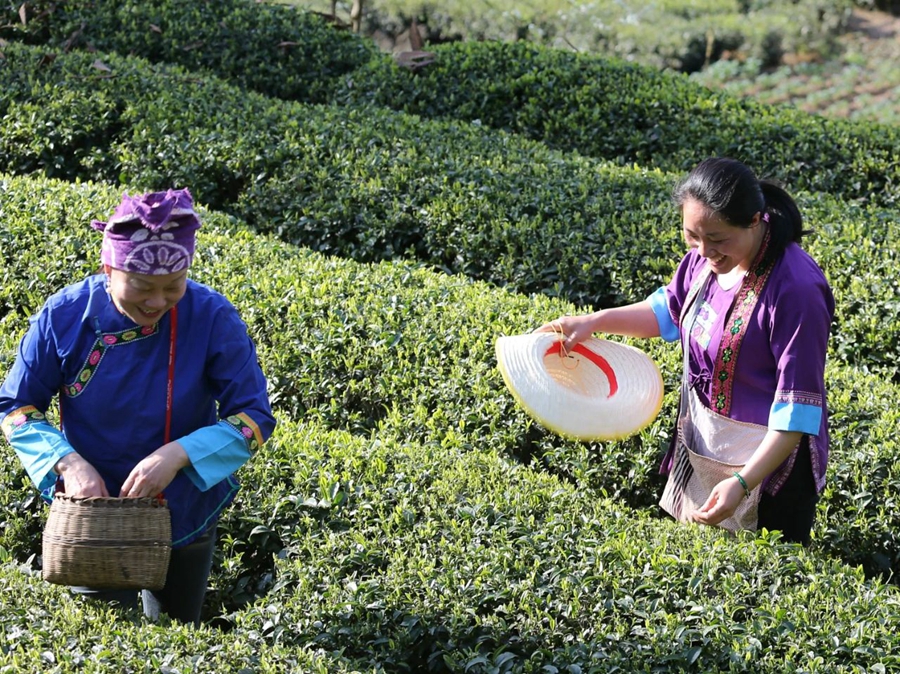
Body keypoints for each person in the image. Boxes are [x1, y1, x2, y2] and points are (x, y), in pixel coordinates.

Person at [0, 188, 277, 624]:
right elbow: (15, 406)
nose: (157, 301)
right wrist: (68, 464)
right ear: (108, 269)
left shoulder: (211, 317)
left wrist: (178, 455)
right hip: (93, 514)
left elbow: (253, 418)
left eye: (173, 286)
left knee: (179, 636)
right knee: (106, 641)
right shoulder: (64, 315)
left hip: (185, 504)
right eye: (142, 287)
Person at [538, 157, 834, 545]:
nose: (704, 251)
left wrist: (742, 482)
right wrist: (593, 321)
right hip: (705, 444)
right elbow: (669, 310)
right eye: (692, 236)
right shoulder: (704, 257)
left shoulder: (797, 289)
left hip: (769, 470)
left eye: (718, 239)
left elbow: (799, 410)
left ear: (754, 220)